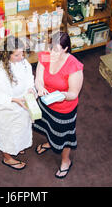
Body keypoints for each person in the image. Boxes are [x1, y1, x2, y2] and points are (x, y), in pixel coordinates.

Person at [33, 31, 84, 178]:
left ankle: (65, 161)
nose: (50, 53)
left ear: (65, 49)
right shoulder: (45, 55)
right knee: (50, 128)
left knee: (64, 135)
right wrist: (40, 88)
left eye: (55, 50)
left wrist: (62, 96)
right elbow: (38, 79)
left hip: (64, 109)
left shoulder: (74, 66)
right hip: (46, 103)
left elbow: (74, 93)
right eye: (49, 48)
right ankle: (51, 142)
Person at [0, 36, 36, 170]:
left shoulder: (23, 62)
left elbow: (30, 78)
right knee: (8, 135)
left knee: (21, 130)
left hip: (22, 107)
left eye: (22, 53)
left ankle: (18, 146)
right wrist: (13, 100)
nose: (21, 57)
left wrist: (31, 89)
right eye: (17, 55)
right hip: (8, 111)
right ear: (7, 55)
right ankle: (7, 158)